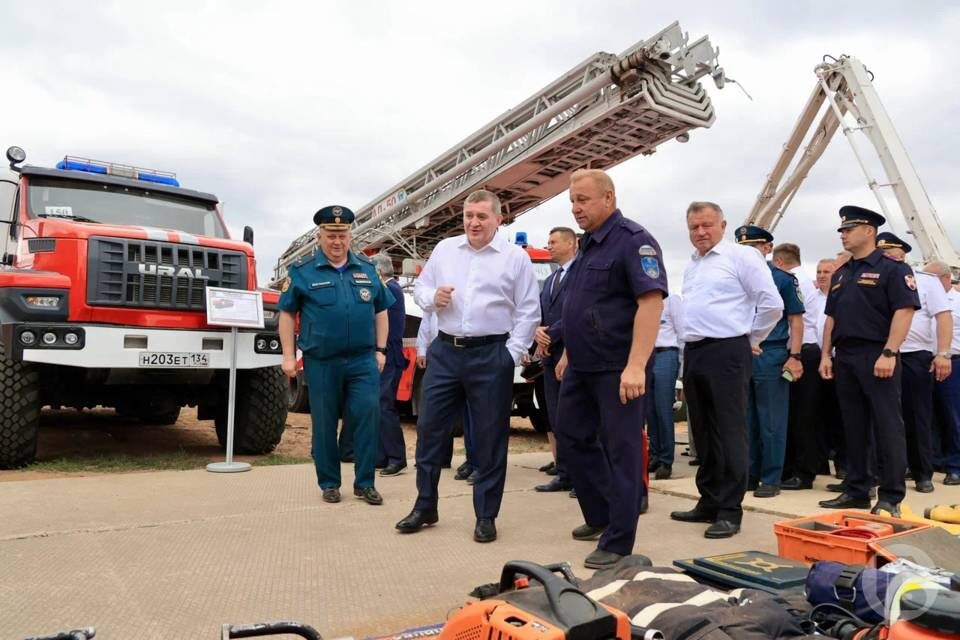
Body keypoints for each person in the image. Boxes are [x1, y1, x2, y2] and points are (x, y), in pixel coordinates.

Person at [395, 190, 540, 543]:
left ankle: (486, 515)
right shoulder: (445, 249)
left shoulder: (515, 258)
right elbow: (421, 291)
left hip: (491, 354)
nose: (473, 222)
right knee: (429, 430)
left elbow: (528, 309)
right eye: (468, 215)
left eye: (481, 216)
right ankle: (425, 505)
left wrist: (511, 352)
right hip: (446, 351)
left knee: (490, 438)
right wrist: (433, 298)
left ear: (498, 219)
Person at [552, 168, 667, 569]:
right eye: (572, 201)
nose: (576, 208)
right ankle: (602, 515)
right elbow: (584, 304)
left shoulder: (634, 242)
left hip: (618, 368)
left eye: (583, 200)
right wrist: (568, 351)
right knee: (571, 437)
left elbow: (651, 303)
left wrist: (636, 365)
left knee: (623, 450)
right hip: (582, 365)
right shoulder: (587, 245)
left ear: (608, 198)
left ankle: (619, 541)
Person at [671, 202, 782, 538]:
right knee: (703, 432)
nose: (700, 232)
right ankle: (709, 500)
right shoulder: (692, 265)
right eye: (694, 227)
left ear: (722, 224)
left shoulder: (742, 257)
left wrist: (750, 338)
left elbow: (771, 304)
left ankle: (730, 511)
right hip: (696, 351)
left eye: (707, 225)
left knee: (730, 431)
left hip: (728, 349)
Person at [278, 205, 393, 506]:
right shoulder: (302, 271)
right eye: (331, 235)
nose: (337, 241)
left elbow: (381, 311)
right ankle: (329, 482)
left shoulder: (367, 270)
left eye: (342, 234)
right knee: (326, 422)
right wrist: (288, 356)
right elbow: (287, 314)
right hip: (322, 361)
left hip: (361, 360)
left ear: (350, 235)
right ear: (320, 236)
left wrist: (381, 350)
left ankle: (365, 482)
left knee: (368, 414)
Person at [818, 206, 920, 517]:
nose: (843, 234)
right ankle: (857, 490)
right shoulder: (842, 272)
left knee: (888, 426)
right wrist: (826, 354)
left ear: (869, 231)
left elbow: (904, 311)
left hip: (878, 353)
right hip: (845, 356)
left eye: (849, 229)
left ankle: (890, 497)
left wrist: (890, 352)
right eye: (842, 230)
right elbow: (831, 318)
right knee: (854, 426)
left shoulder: (893, 269)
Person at [876, 232, 953, 493]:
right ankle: (884, 471)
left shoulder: (925, 281)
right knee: (881, 416)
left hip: (914, 354)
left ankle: (922, 473)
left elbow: (943, 317)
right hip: (880, 354)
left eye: (891, 253)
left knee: (918, 415)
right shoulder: (873, 277)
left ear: (903, 254)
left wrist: (943, 353)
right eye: (882, 253)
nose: (887, 257)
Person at [735, 229, 805, 498]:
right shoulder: (736, 276)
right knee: (746, 419)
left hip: (771, 352)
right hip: (742, 351)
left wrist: (795, 356)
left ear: (767, 249)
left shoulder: (782, 278)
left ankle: (771, 477)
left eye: (754, 246)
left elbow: (795, 320)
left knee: (772, 419)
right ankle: (751, 474)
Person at [783, 257, 836, 490]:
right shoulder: (813, 295)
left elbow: (815, 331)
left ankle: (805, 472)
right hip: (806, 355)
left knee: (808, 416)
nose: (822, 275)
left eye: (827, 271)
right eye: (819, 271)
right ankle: (809, 466)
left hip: (812, 354)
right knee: (801, 415)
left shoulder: (834, 299)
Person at [532, 226, 578, 493]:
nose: (548, 246)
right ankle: (564, 473)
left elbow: (577, 311)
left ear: (571, 244)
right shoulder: (550, 280)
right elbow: (542, 311)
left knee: (575, 418)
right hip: (550, 356)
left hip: (571, 353)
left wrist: (551, 333)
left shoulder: (580, 274)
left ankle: (582, 476)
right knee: (556, 416)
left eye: (553, 242)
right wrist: (538, 331)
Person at [372, 254, 410, 477]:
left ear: (378, 272)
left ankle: (397, 457)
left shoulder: (391, 289)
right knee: (378, 405)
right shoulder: (390, 288)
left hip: (389, 356)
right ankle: (382, 456)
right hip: (385, 356)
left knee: (385, 406)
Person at [924, 261, 960, 485]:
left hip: (952, 363)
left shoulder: (957, 301)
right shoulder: (921, 299)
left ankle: (956, 466)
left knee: (953, 416)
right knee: (927, 416)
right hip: (924, 361)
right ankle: (932, 460)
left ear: (945, 279)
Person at [647, 294, 683, 480]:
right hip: (647, 355)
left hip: (666, 354)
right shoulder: (643, 301)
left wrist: (682, 365)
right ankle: (654, 454)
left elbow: (682, 331)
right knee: (649, 410)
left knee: (663, 409)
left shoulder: (672, 301)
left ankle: (666, 460)